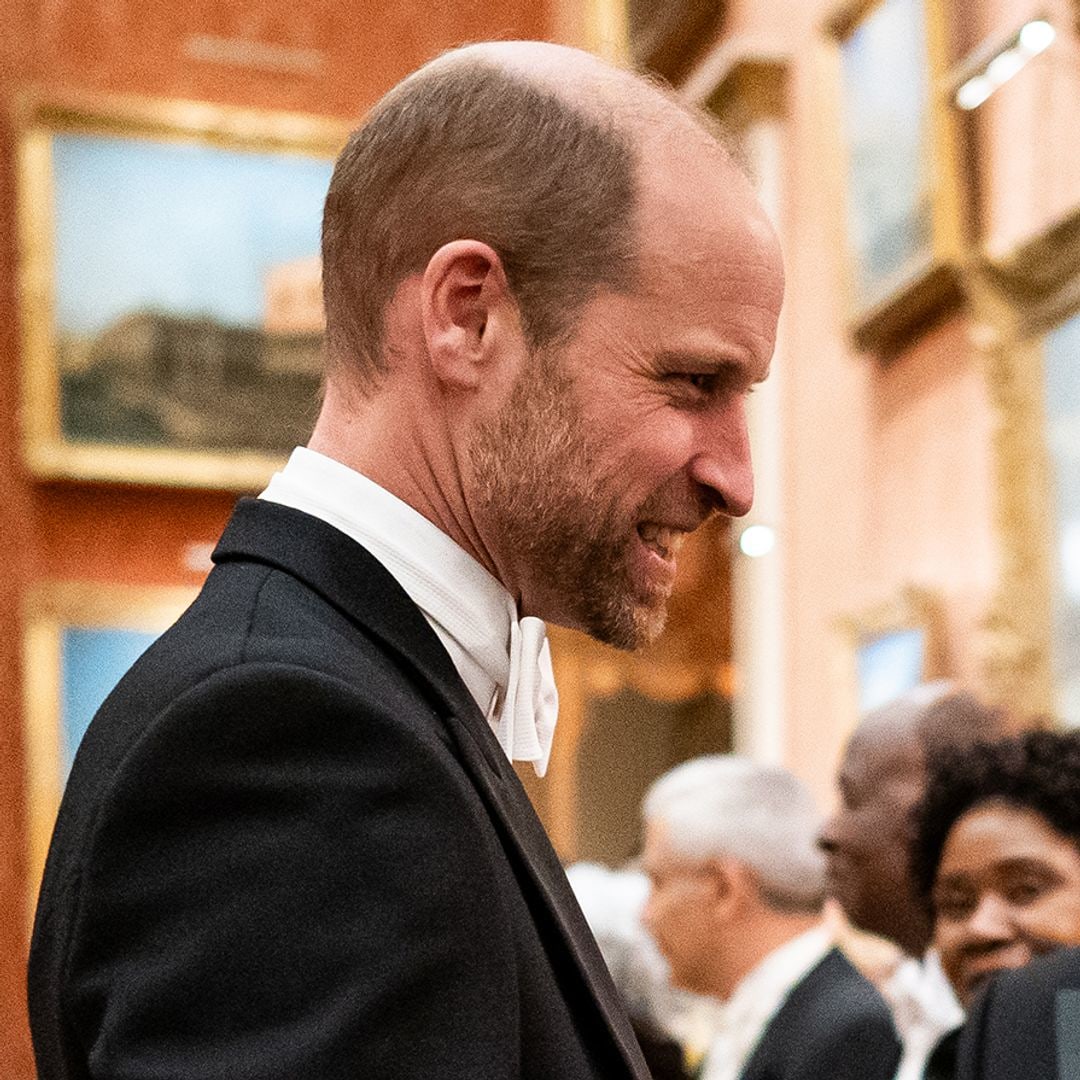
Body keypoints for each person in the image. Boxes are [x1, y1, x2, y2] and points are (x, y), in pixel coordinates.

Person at [28, 40, 784, 1080]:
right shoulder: (294, 740)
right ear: (468, 316)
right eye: (695, 381)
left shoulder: (357, 697)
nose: (737, 477)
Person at [641, 756, 900, 1080]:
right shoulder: (770, 1013)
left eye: (658, 882)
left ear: (724, 890)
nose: (646, 914)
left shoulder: (845, 1027)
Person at [818, 683, 1005, 1080]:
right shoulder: (910, 996)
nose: (829, 832)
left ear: (932, 811)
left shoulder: (1047, 1015)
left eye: (851, 797)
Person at [911, 730, 1080, 1013]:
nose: (981, 928)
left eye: (1026, 890)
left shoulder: (1070, 1048)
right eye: (957, 904)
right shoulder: (948, 1056)